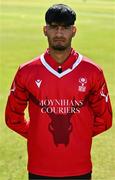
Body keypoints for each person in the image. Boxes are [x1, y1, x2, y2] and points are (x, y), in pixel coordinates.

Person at [5, 4, 112, 180]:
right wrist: (37, 136)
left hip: (79, 168)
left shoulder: (92, 71)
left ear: (74, 31)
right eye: (54, 27)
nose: (60, 33)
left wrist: (80, 135)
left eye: (65, 28)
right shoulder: (26, 71)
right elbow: (12, 118)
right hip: (40, 168)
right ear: (45, 30)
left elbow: (105, 119)